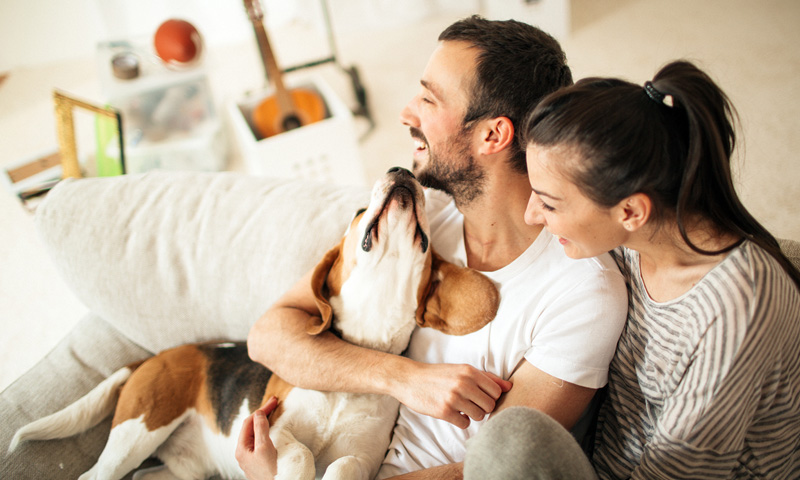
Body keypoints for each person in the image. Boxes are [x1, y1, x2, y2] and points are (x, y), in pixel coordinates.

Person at [240, 15, 628, 479]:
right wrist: (403, 378)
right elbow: (267, 335)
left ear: (492, 135)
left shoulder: (583, 294)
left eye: (429, 98)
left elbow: (490, 471)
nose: (406, 112)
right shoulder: (422, 218)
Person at [463, 60, 800, 479]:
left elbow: (678, 473)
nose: (533, 215)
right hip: (605, 453)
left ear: (630, 211)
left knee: (508, 448)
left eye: (549, 203)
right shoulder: (626, 243)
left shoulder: (737, 306)